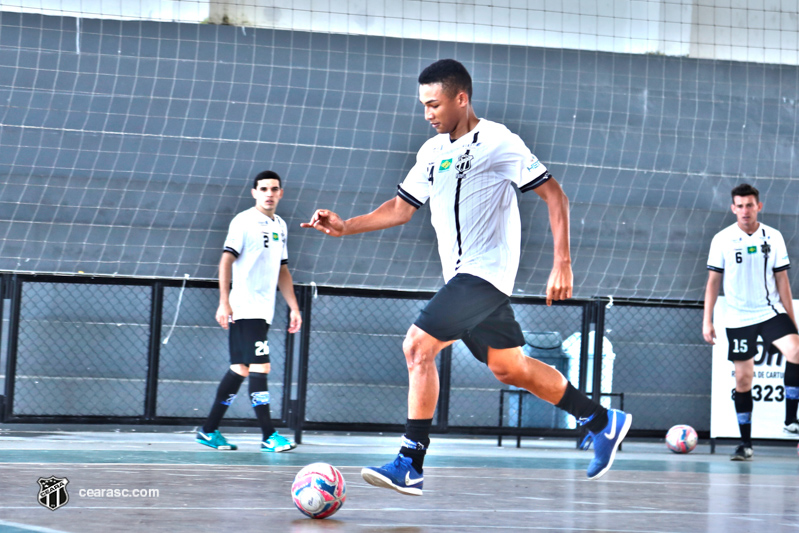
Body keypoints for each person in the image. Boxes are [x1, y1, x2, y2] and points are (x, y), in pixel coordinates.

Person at [302, 59, 631, 495]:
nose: (427, 114)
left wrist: (562, 262)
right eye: (423, 105)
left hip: (486, 273)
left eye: (434, 104)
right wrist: (346, 226)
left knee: (417, 347)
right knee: (509, 367)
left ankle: (410, 461)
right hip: (462, 277)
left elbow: (556, 195)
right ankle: (602, 420)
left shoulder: (498, 141)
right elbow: (400, 208)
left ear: (462, 98)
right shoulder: (431, 152)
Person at [196, 170, 302, 452]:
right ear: (254, 192)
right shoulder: (243, 221)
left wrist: (293, 307)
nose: (269, 193)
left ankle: (208, 430)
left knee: (240, 368)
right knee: (260, 366)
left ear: (281, 193)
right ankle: (268, 435)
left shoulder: (280, 224)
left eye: (274, 189)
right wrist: (223, 301)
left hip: (264, 309)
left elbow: (282, 270)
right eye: (263, 189)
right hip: (245, 307)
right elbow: (225, 260)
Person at [703, 183, 799, 461]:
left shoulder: (774, 236)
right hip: (738, 318)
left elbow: (782, 279)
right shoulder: (722, 239)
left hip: (770, 311)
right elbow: (713, 282)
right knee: (744, 380)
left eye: (750, 205)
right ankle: (745, 445)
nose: (745, 210)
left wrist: (791, 319)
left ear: (759, 206)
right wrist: (707, 321)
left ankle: (790, 420)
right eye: (740, 205)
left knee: (796, 351)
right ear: (733, 208)